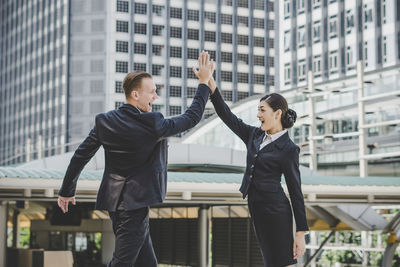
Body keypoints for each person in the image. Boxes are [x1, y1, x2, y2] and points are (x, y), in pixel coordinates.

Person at [57, 52, 215, 267]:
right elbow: (191, 117)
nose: (155, 97)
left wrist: (67, 191)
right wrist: (204, 82)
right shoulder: (153, 124)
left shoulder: (105, 121)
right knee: (123, 262)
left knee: (147, 262)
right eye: (151, 92)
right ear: (135, 94)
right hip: (136, 205)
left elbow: (80, 156)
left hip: (116, 203)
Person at [205, 76, 308, 267]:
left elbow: (296, 191)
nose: (258, 115)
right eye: (258, 110)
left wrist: (300, 233)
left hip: (276, 211)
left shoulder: (289, 149)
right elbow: (228, 116)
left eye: (262, 110)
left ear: (277, 114)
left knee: (281, 262)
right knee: (270, 260)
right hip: (258, 208)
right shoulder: (254, 135)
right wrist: (212, 87)